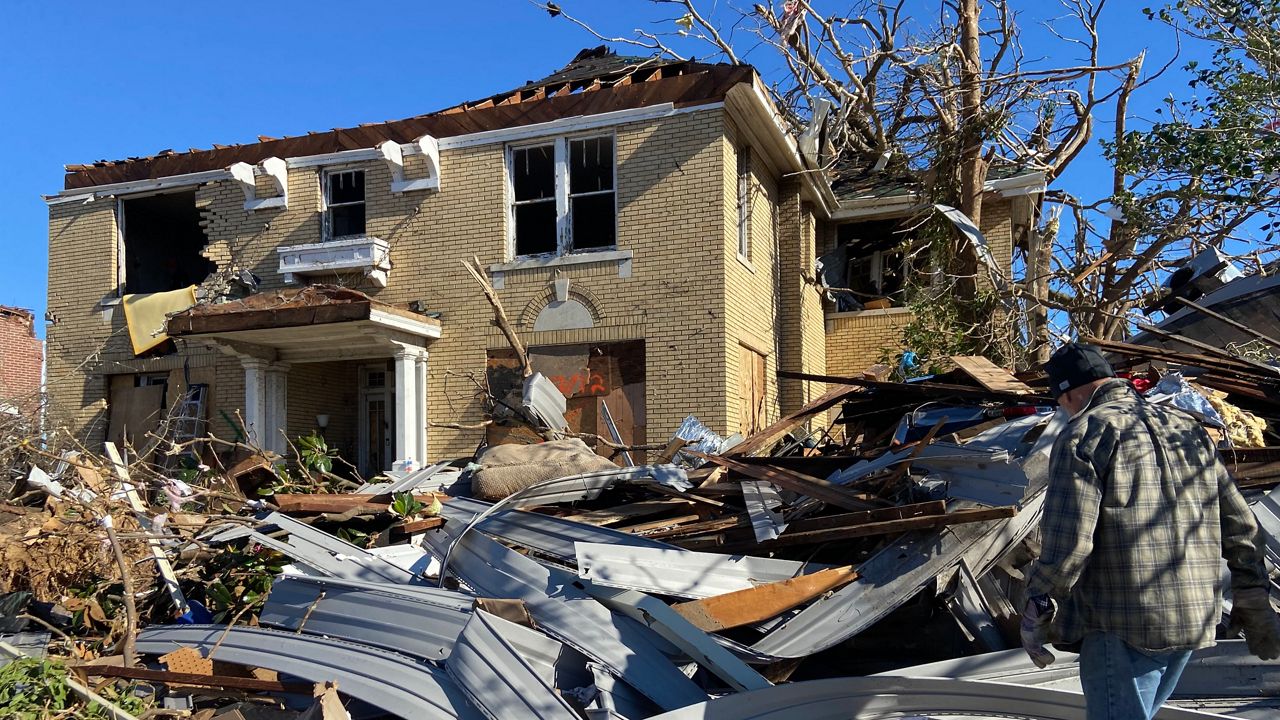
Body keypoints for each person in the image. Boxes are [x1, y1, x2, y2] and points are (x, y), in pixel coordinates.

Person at [1021, 342, 1280, 720]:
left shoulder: (1086, 431)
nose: (1064, 410)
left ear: (1072, 391)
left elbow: (1071, 542)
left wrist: (1038, 603)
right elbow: (1240, 523)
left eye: (1062, 402)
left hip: (1124, 621)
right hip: (1194, 615)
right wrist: (1253, 591)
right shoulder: (1186, 427)